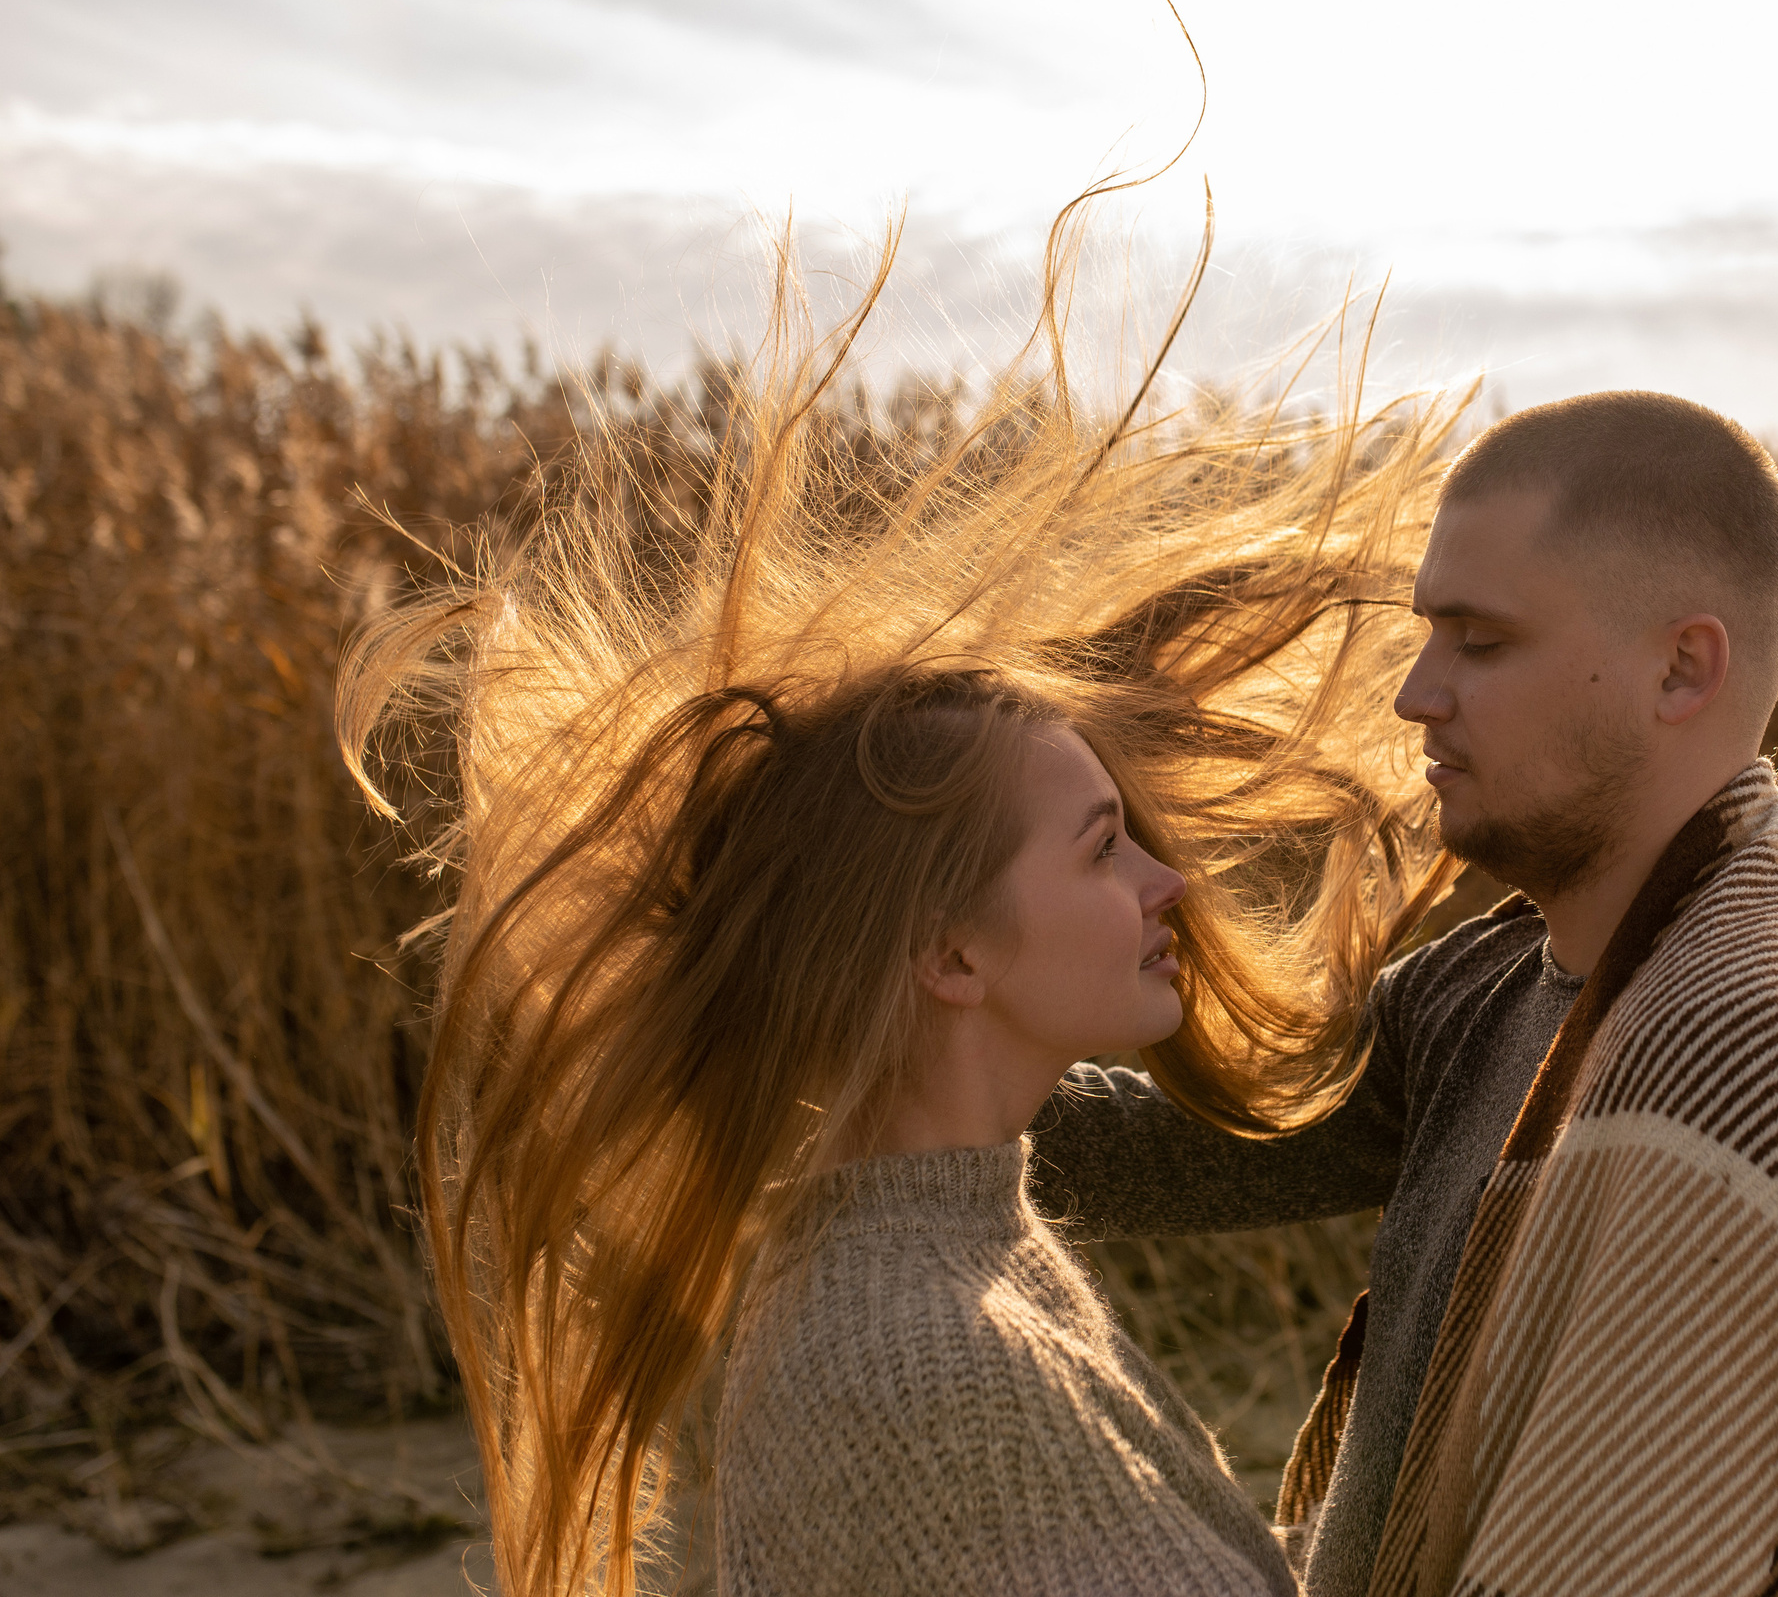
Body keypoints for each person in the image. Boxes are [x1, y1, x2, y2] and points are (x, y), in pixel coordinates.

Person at [335, 227, 1469, 1597]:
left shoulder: (953, 1245)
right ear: (947, 953)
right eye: (1105, 849)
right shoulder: (922, 1362)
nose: (1169, 885)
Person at [1032, 391, 1778, 1595]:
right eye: (1428, 636)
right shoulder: (1500, 984)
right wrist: (865, 1048)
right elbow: (1202, 1145)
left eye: (1480, 641)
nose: (1417, 694)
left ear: (1681, 668)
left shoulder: (1749, 1055)